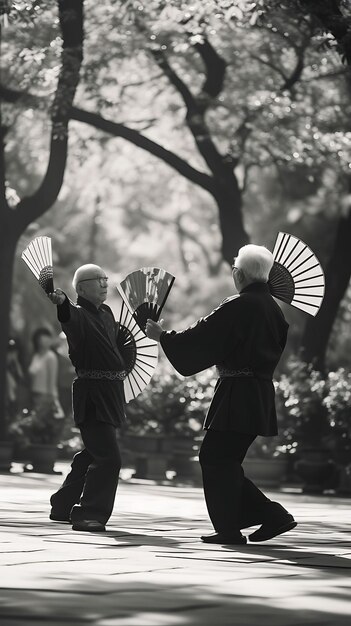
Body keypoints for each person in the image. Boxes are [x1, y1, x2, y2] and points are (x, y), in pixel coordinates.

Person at [146, 244, 297, 546]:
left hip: (237, 394)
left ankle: (259, 519)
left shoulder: (239, 304)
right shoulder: (274, 310)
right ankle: (252, 521)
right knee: (223, 460)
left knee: (215, 457)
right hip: (258, 394)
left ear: (237, 273)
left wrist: (162, 336)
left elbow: (202, 334)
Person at [47, 264, 127, 533]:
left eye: (105, 279)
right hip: (92, 394)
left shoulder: (106, 312)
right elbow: (67, 316)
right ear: (81, 288)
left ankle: (62, 504)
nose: (105, 284)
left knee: (93, 452)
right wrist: (62, 303)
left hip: (111, 393)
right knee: (109, 458)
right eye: (97, 280)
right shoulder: (77, 314)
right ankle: (87, 513)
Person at [28, 328, 63, 419]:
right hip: (34, 395)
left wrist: (51, 399)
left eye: (48, 338)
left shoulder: (50, 357)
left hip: (45, 397)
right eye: (42, 338)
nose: (45, 341)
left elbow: (52, 380)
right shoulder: (36, 355)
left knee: (41, 424)